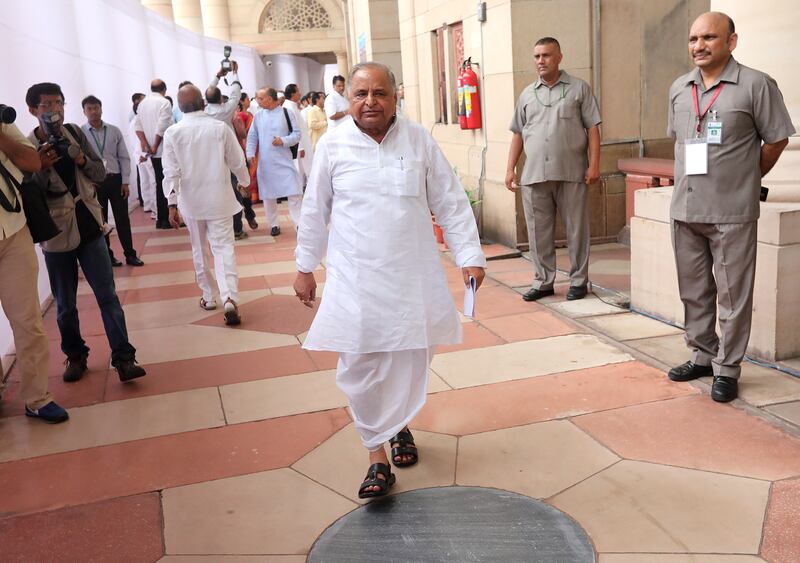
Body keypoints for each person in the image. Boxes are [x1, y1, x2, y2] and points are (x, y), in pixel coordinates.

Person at [293, 62, 486, 499]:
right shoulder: (333, 146)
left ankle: (398, 426)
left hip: (409, 278)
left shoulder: (418, 140)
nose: (369, 102)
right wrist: (305, 267)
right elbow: (314, 210)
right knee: (360, 368)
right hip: (354, 282)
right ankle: (375, 455)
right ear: (348, 99)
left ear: (396, 96)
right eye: (360, 94)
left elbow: (450, 202)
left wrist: (470, 256)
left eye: (379, 93)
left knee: (406, 361)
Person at [665, 12, 794, 402]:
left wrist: (747, 178)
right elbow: (681, 141)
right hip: (685, 209)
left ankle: (727, 368)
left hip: (731, 212)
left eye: (709, 37)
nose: (699, 46)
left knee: (733, 296)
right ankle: (702, 354)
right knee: (694, 291)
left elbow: (776, 140)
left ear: (731, 42)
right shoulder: (678, 87)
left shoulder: (756, 84)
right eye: (693, 39)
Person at [26, 82, 146, 384]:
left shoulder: (76, 134)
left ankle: (124, 357)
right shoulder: (27, 148)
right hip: (56, 234)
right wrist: (39, 168)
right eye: (46, 105)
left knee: (108, 296)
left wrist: (80, 158)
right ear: (32, 110)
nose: (54, 110)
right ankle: (75, 354)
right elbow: (29, 194)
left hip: (91, 226)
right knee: (65, 305)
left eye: (58, 103)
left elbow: (100, 173)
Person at [506, 37, 601, 303]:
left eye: (546, 55)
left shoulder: (579, 89)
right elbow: (517, 134)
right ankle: (543, 281)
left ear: (559, 57)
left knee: (577, 230)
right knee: (538, 231)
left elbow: (593, 129)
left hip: (572, 172)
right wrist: (510, 169)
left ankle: (579, 281)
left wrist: (594, 165)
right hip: (534, 175)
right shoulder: (527, 94)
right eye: (537, 56)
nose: (540, 61)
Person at [162, 85, 250, 326]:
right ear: (202, 103)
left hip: (191, 202)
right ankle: (229, 296)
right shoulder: (220, 128)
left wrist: (171, 204)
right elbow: (237, 160)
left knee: (199, 248)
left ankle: (209, 297)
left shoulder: (173, 133)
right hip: (219, 199)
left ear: (179, 107)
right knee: (223, 249)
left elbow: (170, 172)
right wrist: (244, 182)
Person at [0, 117, 69, 423]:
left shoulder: (2, 123)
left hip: (13, 232)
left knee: (28, 321)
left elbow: (32, 161)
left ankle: (38, 398)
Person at [81, 95, 144, 267]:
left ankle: (130, 254)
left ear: (101, 109)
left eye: (96, 107)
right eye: (89, 108)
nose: (94, 111)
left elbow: (124, 157)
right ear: (84, 112)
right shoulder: (80, 133)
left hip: (115, 180)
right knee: (101, 222)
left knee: (122, 218)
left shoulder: (114, 130)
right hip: (95, 183)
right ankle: (108, 257)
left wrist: (125, 182)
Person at [205, 62, 257, 238]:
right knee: (236, 190)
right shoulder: (226, 110)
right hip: (230, 156)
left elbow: (209, 91)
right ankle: (237, 228)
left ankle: (222, 228)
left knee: (218, 192)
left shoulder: (203, 109)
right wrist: (234, 73)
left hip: (210, 159)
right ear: (221, 99)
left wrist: (218, 75)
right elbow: (235, 92)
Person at [246, 87, 302, 236]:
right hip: (266, 163)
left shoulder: (286, 113)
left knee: (294, 192)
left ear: (269, 99)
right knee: (269, 196)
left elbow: (297, 135)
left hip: (284, 161)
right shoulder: (258, 116)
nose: (257, 101)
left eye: (260, 98)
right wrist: (250, 154)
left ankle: (299, 224)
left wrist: (282, 141)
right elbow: (252, 136)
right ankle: (274, 225)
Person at [135, 79, 174, 229]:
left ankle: (161, 218)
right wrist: (155, 145)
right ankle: (166, 219)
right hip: (163, 149)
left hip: (151, 151)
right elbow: (162, 125)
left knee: (158, 182)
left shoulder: (143, 103)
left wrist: (145, 144)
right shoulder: (164, 102)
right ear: (164, 89)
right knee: (167, 182)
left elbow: (138, 126)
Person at [283, 83, 313, 188]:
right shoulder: (288, 107)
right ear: (292, 94)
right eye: (298, 91)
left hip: (303, 143)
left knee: (305, 170)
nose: (300, 93)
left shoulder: (292, 105)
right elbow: (293, 129)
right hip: (298, 146)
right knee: (300, 172)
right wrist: (300, 147)